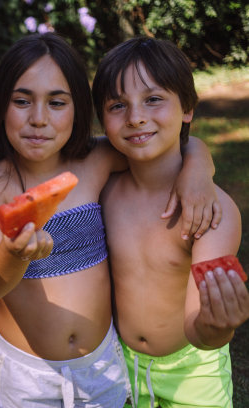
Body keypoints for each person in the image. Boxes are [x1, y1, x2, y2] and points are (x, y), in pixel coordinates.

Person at [0, 33, 220, 408]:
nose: (38, 119)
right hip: (28, 376)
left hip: (102, 363)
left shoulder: (96, 160)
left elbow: (177, 142)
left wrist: (198, 168)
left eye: (57, 103)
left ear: (79, 109)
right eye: (22, 101)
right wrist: (15, 253)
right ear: (1, 105)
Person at [93, 36, 249, 408]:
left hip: (193, 373)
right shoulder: (103, 188)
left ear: (187, 108)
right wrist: (198, 157)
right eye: (118, 105)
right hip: (120, 364)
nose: (135, 117)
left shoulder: (212, 212)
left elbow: (202, 331)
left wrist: (217, 326)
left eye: (153, 99)